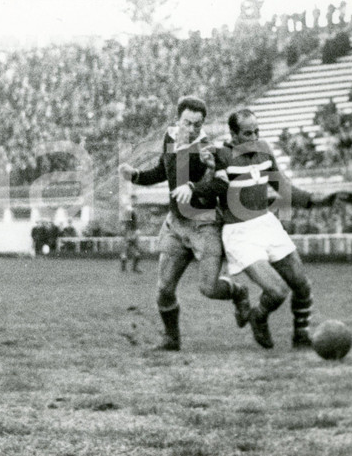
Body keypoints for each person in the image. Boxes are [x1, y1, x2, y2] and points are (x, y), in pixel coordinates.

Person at [119, 96, 250, 351]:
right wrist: (135, 175)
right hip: (177, 224)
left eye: (197, 125)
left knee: (209, 288)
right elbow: (162, 171)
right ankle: (171, 339)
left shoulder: (206, 149)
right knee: (164, 289)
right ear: (177, 120)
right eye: (187, 123)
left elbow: (222, 184)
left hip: (204, 225)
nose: (191, 130)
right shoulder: (170, 138)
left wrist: (194, 187)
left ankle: (239, 293)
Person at [213, 109, 338, 349]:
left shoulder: (264, 150)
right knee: (277, 292)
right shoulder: (221, 156)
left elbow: (283, 187)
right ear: (233, 134)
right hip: (240, 233)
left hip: (267, 224)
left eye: (257, 131)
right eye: (248, 133)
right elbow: (208, 190)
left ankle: (301, 337)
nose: (254, 137)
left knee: (302, 285)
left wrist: (316, 200)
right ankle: (258, 316)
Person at [119, 194, 142, 273]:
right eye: (133, 200)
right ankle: (124, 269)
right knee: (126, 250)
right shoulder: (129, 209)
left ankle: (133, 268)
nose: (135, 202)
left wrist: (136, 230)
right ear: (131, 200)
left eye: (135, 200)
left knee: (136, 251)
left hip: (133, 232)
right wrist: (128, 233)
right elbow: (125, 222)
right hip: (129, 232)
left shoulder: (133, 209)